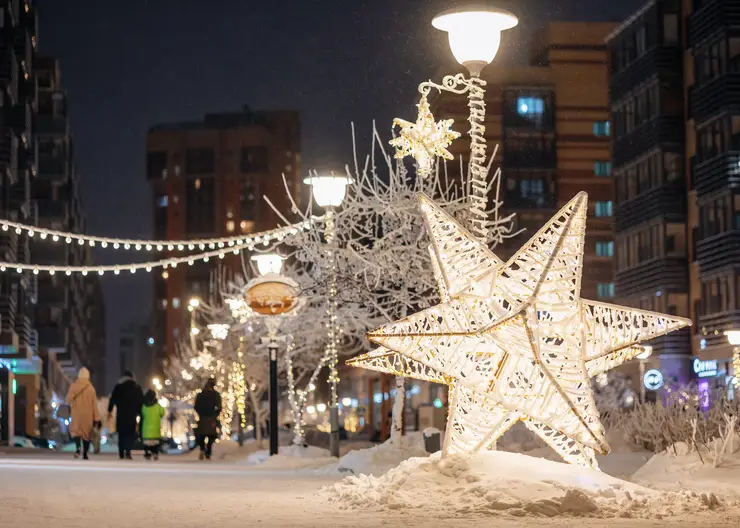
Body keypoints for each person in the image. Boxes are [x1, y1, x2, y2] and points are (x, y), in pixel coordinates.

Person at [65, 367, 101, 460]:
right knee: (86, 434)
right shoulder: (91, 389)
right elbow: (94, 405)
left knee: (76, 432)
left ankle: (78, 448)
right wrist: (96, 418)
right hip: (88, 415)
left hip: (76, 413)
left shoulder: (74, 386)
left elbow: (67, 400)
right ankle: (85, 453)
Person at [108, 370, 142, 460]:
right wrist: (139, 412)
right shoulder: (136, 387)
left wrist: (109, 410)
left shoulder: (118, 386)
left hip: (121, 414)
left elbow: (112, 399)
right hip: (132, 414)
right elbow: (140, 401)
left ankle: (121, 452)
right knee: (130, 434)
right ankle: (128, 451)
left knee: (121, 434)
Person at [194, 378, 222, 460]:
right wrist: (215, 414)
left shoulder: (200, 394)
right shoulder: (216, 395)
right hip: (211, 418)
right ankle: (208, 452)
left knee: (201, 435)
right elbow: (219, 407)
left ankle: (202, 449)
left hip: (202, 418)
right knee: (211, 436)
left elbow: (196, 406)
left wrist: (200, 414)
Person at [140, 389, 165, 461]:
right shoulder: (158, 405)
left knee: (146, 443)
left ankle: (147, 453)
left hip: (146, 428)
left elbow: (142, 414)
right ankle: (155, 453)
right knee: (155, 443)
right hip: (155, 428)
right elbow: (162, 413)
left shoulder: (144, 406)